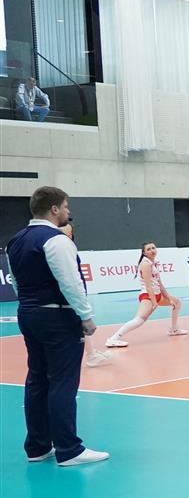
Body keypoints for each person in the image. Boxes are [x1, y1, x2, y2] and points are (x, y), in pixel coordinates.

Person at [7, 186, 108, 466]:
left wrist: (30, 304)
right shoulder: (56, 240)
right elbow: (70, 282)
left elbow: (16, 282)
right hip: (57, 318)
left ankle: (37, 447)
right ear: (54, 209)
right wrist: (85, 316)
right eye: (65, 207)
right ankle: (69, 449)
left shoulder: (15, 240)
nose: (68, 212)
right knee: (63, 381)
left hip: (29, 313)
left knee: (37, 379)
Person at [104, 243, 188, 348]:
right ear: (144, 253)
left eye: (153, 248)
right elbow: (148, 286)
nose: (152, 250)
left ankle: (174, 329)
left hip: (157, 294)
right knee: (139, 320)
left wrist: (168, 298)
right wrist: (154, 302)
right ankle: (113, 339)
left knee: (177, 302)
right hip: (148, 295)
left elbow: (160, 284)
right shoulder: (145, 264)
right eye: (148, 249)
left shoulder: (154, 262)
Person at [59, 223, 111, 367]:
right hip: (68, 296)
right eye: (64, 232)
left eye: (69, 232)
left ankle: (91, 353)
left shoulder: (70, 248)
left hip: (77, 293)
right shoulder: (61, 250)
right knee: (78, 324)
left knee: (79, 324)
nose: (68, 235)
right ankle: (91, 355)